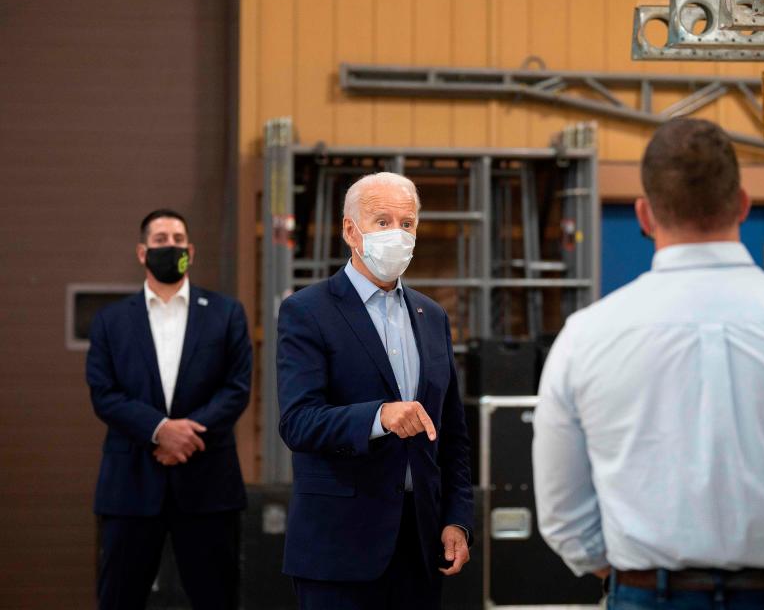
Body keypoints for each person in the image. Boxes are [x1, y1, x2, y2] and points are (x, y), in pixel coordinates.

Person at [532, 118, 764, 610]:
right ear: (741, 203)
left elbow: (563, 513)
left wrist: (631, 577)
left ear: (645, 215)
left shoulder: (586, 337)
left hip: (646, 594)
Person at [276, 172, 474, 610]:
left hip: (419, 545)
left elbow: (453, 434)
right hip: (339, 548)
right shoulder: (307, 312)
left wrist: (457, 518)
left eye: (407, 223)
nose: (398, 234)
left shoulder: (432, 315)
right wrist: (378, 417)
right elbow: (297, 422)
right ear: (351, 230)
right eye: (382, 222)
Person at [87, 209, 252, 610]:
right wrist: (161, 430)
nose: (170, 246)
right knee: (119, 599)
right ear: (142, 252)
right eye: (160, 240)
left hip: (208, 484)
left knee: (217, 598)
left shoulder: (226, 312)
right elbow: (103, 393)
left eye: (178, 239)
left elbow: (237, 387)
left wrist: (186, 435)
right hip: (130, 486)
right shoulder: (111, 321)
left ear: (190, 252)